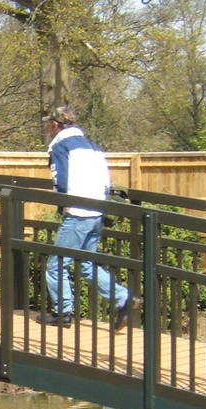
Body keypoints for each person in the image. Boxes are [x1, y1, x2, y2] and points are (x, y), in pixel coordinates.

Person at [40, 103, 133, 329]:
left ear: (55, 125)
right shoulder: (93, 146)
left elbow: (61, 182)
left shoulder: (60, 147)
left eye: (50, 125)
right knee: (86, 264)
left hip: (78, 212)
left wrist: (62, 204)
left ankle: (62, 313)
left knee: (56, 265)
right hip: (97, 211)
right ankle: (123, 298)